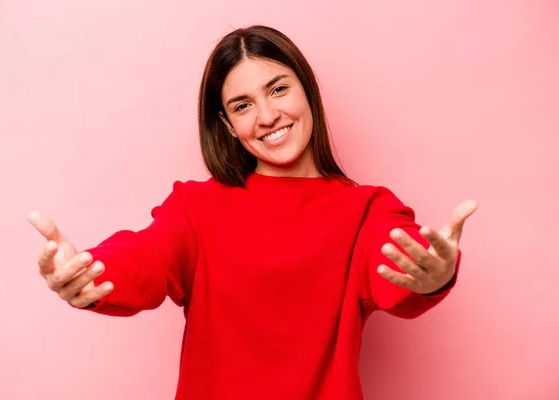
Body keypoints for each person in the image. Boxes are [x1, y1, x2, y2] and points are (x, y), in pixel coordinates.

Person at [28, 25, 477, 400]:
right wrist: (90, 271)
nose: (267, 115)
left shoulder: (367, 209)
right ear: (227, 124)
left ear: (307, 90)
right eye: (242, 105)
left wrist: (430, 274)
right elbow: (145, 255)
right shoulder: (195, 207)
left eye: (278, 89)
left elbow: (397, 265)